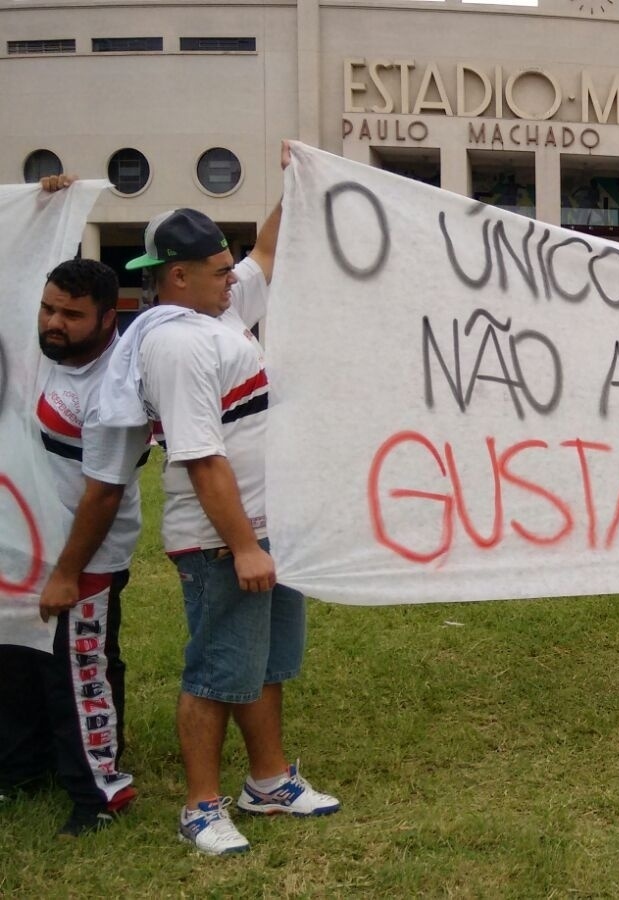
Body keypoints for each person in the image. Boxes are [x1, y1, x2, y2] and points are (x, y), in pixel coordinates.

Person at [90, 161, 340, 855]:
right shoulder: (175, 342)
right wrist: (244, 544)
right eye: (218, 270)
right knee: (217, 669)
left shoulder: (217, 313)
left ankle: (268, 781)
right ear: (177, 276)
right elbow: (201, 456)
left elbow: (264, 253)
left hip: (265, 528)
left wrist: (298, 182)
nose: (234, 277)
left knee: (263, 665)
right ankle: (201, 805)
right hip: (220, 539)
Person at [1, 177, 142, 837]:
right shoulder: (44, 351)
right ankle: (22, 767)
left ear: (107, 318)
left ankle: (99, 793)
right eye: (49, 309)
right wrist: (42, 205)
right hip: (24, 545)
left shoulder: (114, 388)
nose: (54, 323)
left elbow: (103, 492)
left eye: (72, 315)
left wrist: (67, 571)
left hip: (82, 555)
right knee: (19, 662)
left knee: (77, 670)